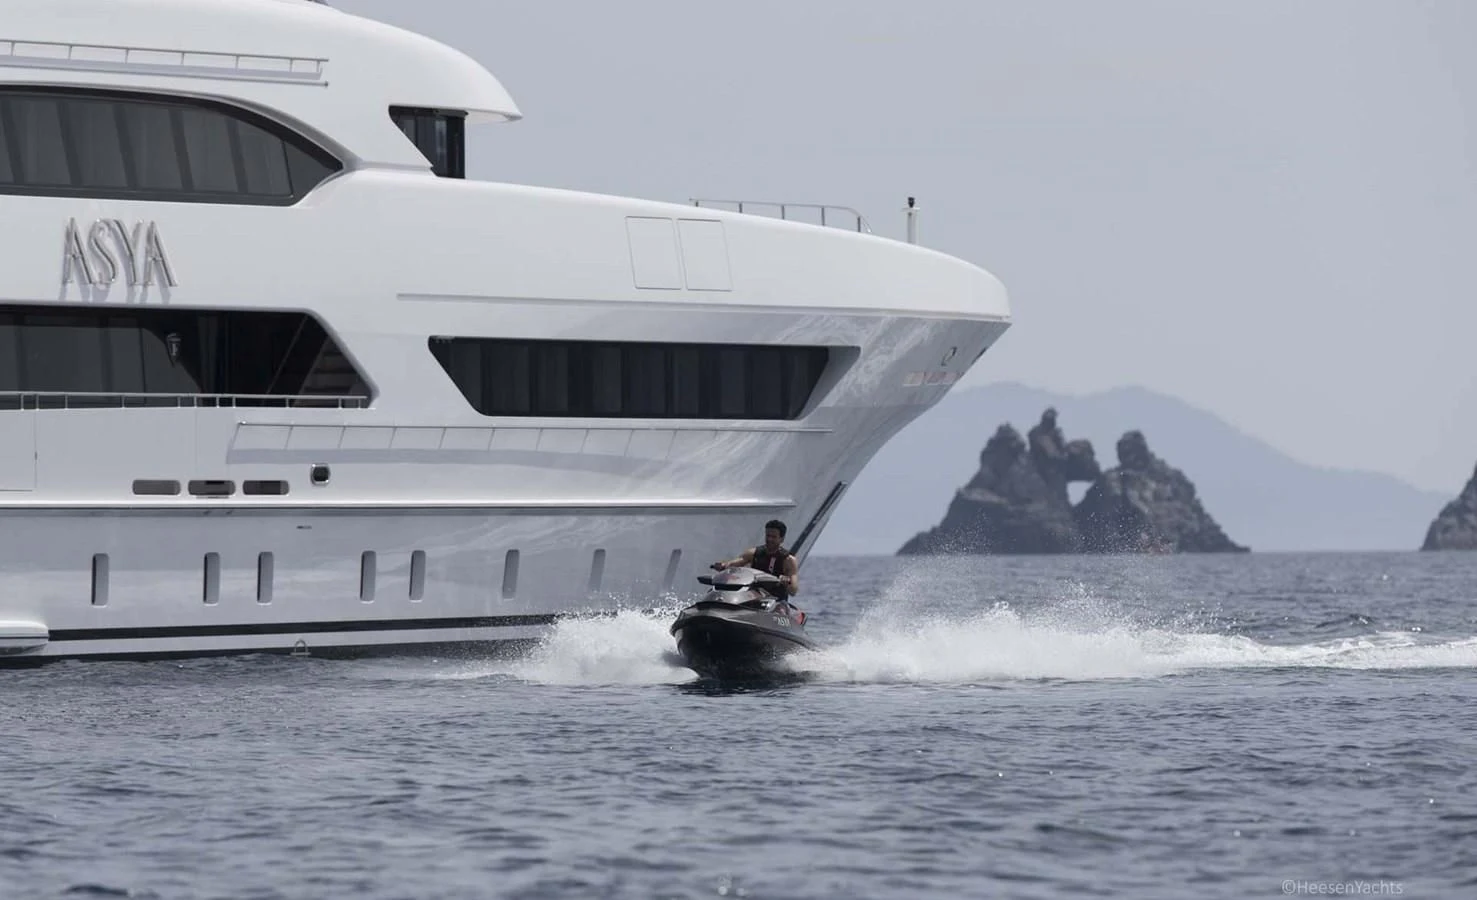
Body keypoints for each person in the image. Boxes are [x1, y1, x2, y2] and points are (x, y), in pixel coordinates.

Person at [711, 519, 799, 598]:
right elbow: (734, 563)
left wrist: (786, 583)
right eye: (768, 536)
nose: (769, 539)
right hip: (754, 598)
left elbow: (793, 590)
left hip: (776, 601)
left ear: (782, 539)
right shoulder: (753, 553)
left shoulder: (789, 560)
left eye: (773, 537)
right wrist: (723, 566)